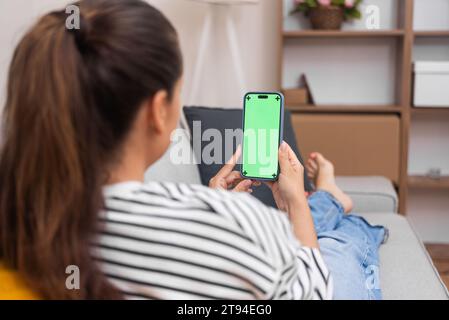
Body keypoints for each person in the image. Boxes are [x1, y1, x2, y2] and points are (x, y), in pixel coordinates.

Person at [0, 0, 385, 300]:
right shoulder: (238, 221)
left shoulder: (23, 220)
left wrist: (208, 206)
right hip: (277, 254)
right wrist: (289, 206)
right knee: (338, 246)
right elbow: (314, 289)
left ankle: (330, 201)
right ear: (157, 109)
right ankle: (329, 200)